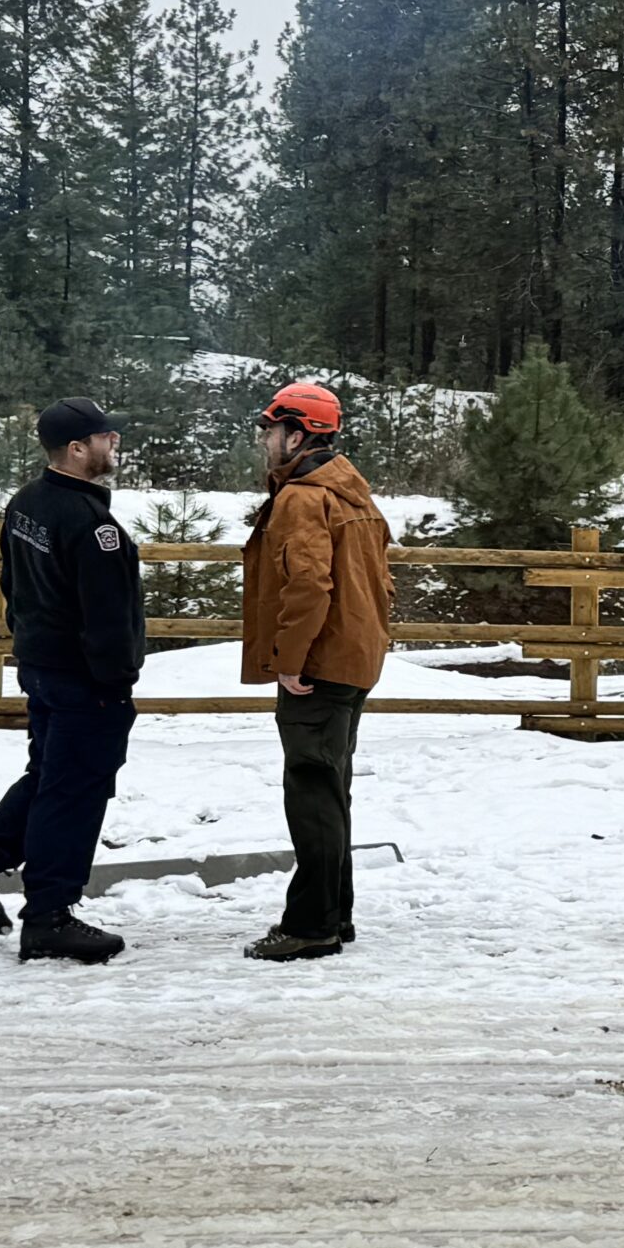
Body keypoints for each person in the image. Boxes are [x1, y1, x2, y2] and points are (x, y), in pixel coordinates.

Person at [0, 397, 146, 964]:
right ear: (77, 450)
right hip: (84, 678)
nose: (114, 443)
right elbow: (105, 615)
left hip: (43, 666)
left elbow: (13, 583)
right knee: (74, 790)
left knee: (51, 775)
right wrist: (117, 679)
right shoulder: (91, 525)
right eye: (105, 437)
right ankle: (49, 915)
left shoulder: (27, 502)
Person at [239, 381, 393, 962]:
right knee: (330, 790)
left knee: (311, 792)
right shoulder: (353, 493)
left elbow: (307, 586)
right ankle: (335, 915)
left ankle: (311, 926)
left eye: (272, 431)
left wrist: (290, 659)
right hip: (352, 660)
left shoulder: (305, 497)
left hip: (320, 665)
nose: (265, 441)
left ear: (298, 434)